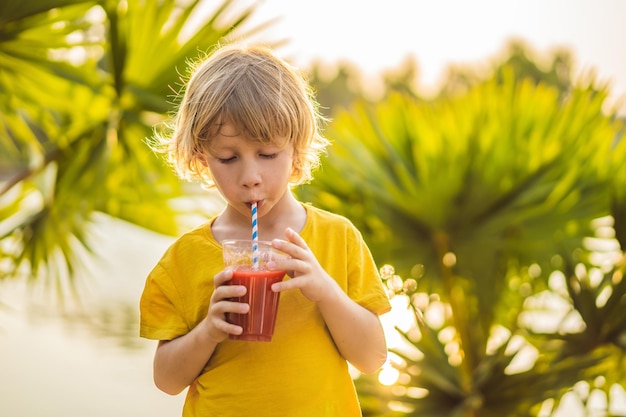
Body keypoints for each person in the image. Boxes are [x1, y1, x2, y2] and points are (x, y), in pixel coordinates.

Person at [139, 43, 391, 417]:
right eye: (228, 158)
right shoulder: (184, 259)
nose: (250, 178)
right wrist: (209, 329)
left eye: (268, 155)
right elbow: (166, 380)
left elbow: (372, 359)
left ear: (297, 151)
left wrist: (326, 291)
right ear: (200, 157)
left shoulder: (338, 238)